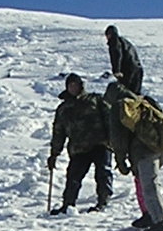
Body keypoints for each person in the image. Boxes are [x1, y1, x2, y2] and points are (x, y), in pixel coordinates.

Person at [105, 79, 163, 231]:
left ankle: (160, 222)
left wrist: (120, 160)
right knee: (146, 183)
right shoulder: (143, 101)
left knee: (149, 185)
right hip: (160, 147)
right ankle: (150, 216)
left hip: (143, 151)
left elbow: (118, 138)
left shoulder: (119, 107)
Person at [47, 73, 114, 215]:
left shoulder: (95, 100)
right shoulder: (64, 109)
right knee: (73, 177)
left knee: (103, 173)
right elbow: (59, 132)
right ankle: (68, 205)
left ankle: (103, 201)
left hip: (100, 144)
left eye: (75, 85)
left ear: (81, 85)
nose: (73, 88)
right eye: (70, 85)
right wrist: (54, 154)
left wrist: (114, 141)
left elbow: (110, 120)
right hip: (79, 148)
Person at [104, 25, 144, 94]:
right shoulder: (126, 42)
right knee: (135, 95)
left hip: (127, 70)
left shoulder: (114, 41)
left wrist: (117, 70)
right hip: (138, 69)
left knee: (125, 93)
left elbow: (117, 55)